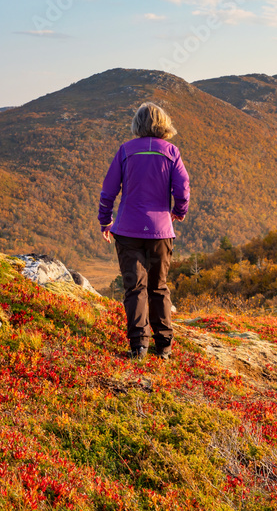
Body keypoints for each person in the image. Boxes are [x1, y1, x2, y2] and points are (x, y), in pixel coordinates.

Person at [98, 102, 190, 360]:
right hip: (161, 231)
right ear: (164, 123)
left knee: (134, 288)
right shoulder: (172, 152)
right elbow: (182, 188)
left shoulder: (126, 151)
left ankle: (139, 347)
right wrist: (179, 212)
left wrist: (105, 221)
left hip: (128, 230)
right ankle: (164, 348)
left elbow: (108, 191)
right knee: (158, 287)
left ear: (137, 124)